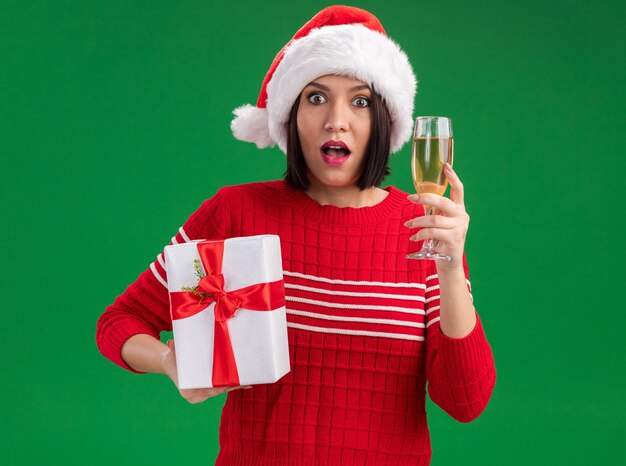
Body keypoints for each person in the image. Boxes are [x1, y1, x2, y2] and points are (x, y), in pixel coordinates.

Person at [96, 5, 496, 465]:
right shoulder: (235, 212)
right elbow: (119, 322)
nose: (336, 120)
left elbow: (465, 402)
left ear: (385, 120)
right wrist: (170, 361)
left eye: (361, 101)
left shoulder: (424, 230)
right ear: (291, 115)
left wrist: (449, 266)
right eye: (316, 97)